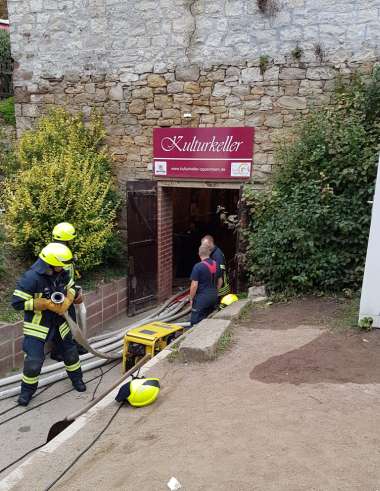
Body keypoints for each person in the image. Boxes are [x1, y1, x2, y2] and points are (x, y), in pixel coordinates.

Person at [11, 243, 86, 406]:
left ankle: (77, 380)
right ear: (50, 263)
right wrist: (40, 304)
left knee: (71, 353)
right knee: (34, 361)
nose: (63, 267)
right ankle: (26, 393)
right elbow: (16, 303)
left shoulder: (62, 273)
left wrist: (68, 299)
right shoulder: (31, 278)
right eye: (61, 264)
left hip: (60, 323)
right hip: (38, 326)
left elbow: (72, 287)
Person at [50, 222, 87, 360]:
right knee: (60, 323)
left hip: (68, 291)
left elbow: (68, 274)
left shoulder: (63, 250)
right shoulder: (55, 253)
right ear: (66, 238)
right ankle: (58, 352)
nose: (71, 240)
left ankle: (73, 345)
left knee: (71, 320)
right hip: (59, 294)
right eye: (70, 238)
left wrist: (75, 290)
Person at [189, 244, 223, 326]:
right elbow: (220, 281)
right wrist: (215, 291)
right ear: (209, 253)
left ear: (199, 254)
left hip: (201, 299)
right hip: (214, 297)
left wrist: (191, 298)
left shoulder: (198, 267)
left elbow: (194, 285)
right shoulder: (216, 264)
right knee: (209, 321)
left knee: (195, 323)